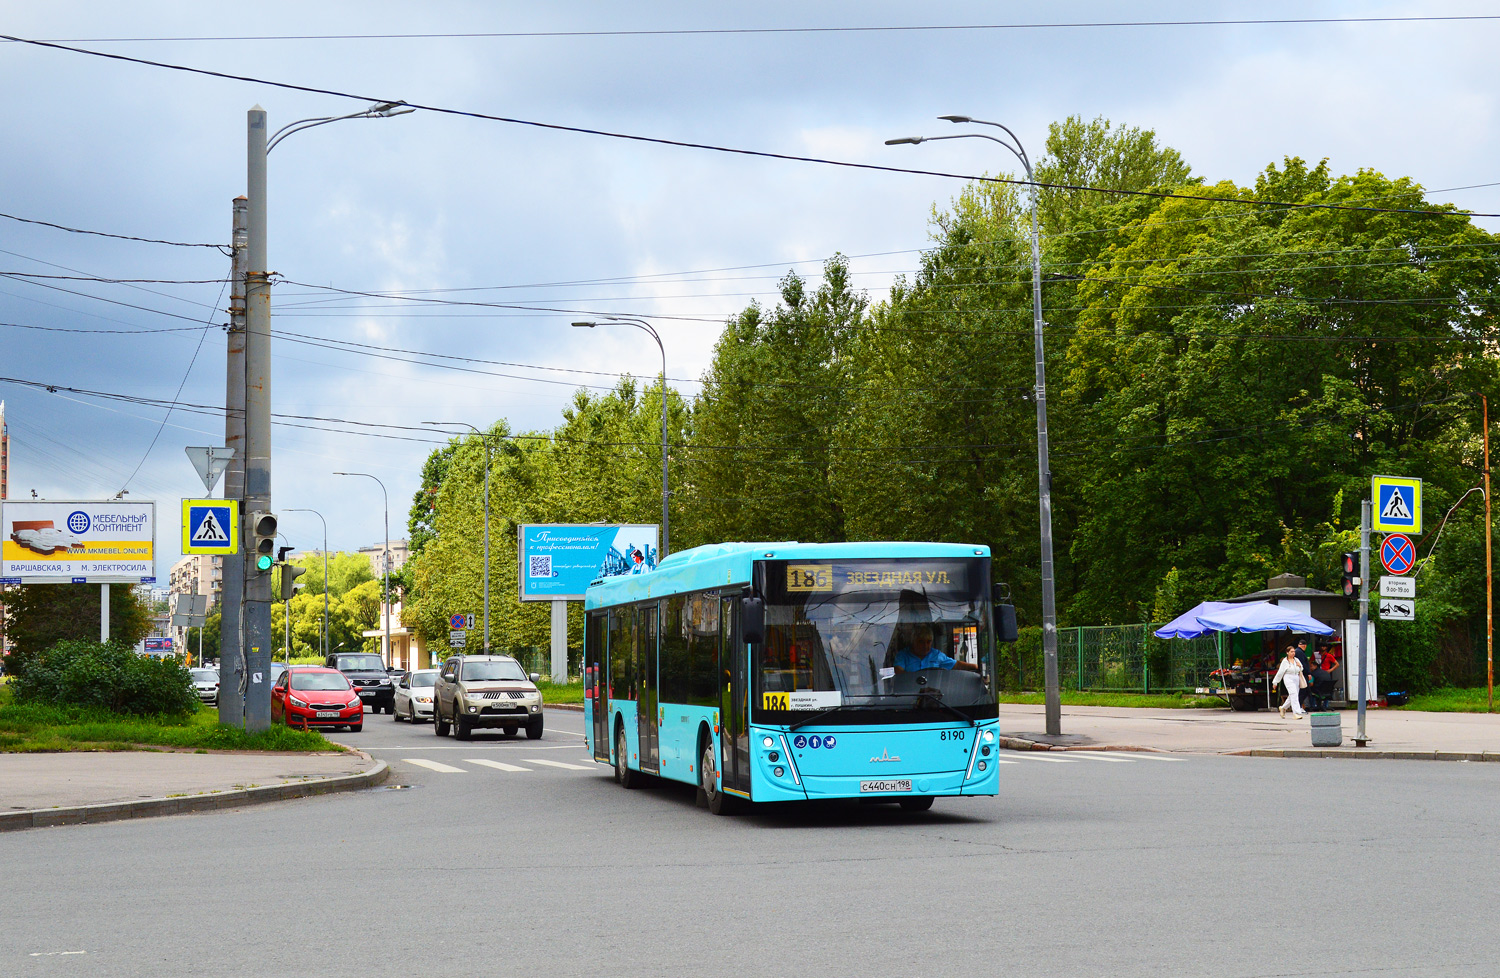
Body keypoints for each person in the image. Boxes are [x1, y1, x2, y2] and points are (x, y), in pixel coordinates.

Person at [893, 623, 977, 673]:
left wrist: (976, 667)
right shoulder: (903, 655)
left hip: (933, 695)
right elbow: (899, 672)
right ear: (913, 641)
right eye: (921, 642)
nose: (925, 646)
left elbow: (957, 665)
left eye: (928, 642)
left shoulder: (936, 655)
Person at [1272, 646, 1307, 718]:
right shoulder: (1285, 661)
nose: (1293, 653)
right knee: (1294, 694)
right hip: (1288, 678)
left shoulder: (1296, 660)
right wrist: (1275, 682)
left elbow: (1302, 668)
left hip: (1296, 677)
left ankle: (1283, 707)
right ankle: (1296, 713)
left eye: (1294, 651)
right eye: (1291, 652)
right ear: (1287, 652)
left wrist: (1300, 666)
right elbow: (1280, 672)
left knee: (1293, 695)